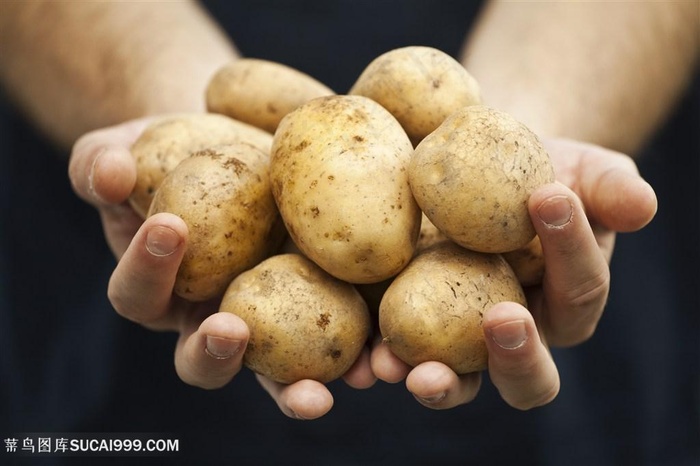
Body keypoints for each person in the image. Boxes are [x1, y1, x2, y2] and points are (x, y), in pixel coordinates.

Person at [0, 1, 697, 464]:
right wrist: (166, 120)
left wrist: (543, 123)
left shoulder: (452, 178)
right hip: (106, 367)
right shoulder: (281, 151)